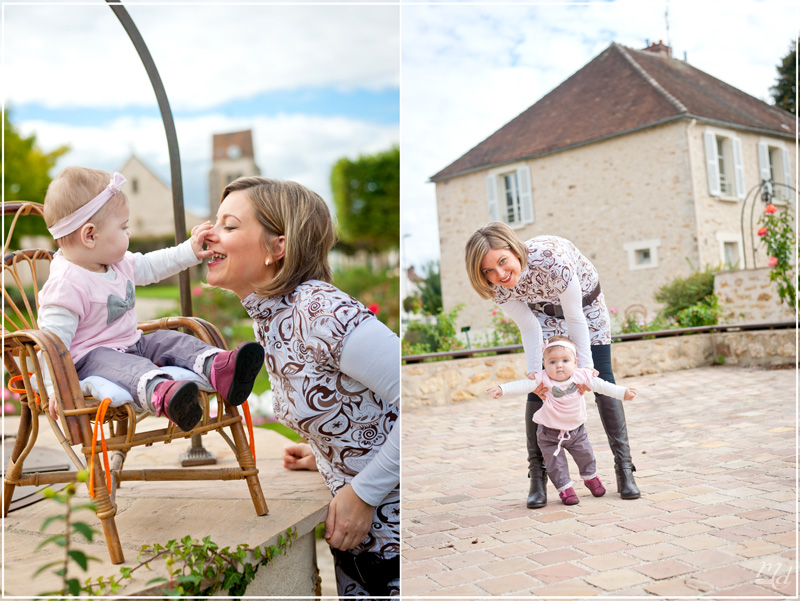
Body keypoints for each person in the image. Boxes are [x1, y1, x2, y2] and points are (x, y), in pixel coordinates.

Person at [202, 176, 399, 598]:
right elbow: (360, 407)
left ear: (279, 248)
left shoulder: (320, 308)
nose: (207, 233)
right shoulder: (273, 314)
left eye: (230, 225)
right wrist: (327, 453)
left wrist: (363, 493)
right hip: (365, 552)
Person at [38, 166, 264, 430]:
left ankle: (219, 367)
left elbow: (153, 265)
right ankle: (164, 393)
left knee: (170, 339)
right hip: (90, 360)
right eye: (123, 227)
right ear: (90, 235)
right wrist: (54, 388)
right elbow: (51, 344)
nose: (129, 233)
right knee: (122, 366)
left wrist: (188, 252)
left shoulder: (116, 263)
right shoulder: (67, 283)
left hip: (133, 343)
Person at [465, 221, 641, 507]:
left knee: (602, 378)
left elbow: (574, 318)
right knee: (539, 385)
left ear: (513, 249)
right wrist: (535, 374)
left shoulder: (551, 262)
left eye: (503, 261)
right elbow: (529, 327)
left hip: (584, 307)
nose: (500, 274)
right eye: (488, 270)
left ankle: (624, 470)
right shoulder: (497, 287)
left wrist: (584, 369)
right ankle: (537, 478)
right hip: (542, 316)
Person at [486, 336, 636, 505]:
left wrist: (623, 392)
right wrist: (502, 389)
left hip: (577, 431)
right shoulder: (542, 378)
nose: (559, 365)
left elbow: (603, 385)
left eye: (565, 360)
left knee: (586, 456)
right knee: (556, 465)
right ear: (544, 363)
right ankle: (566, 490)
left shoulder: (581, 375)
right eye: (552, 362)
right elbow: (522, 385)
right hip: (549, 434)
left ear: (575, 362)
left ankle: (591, 478)